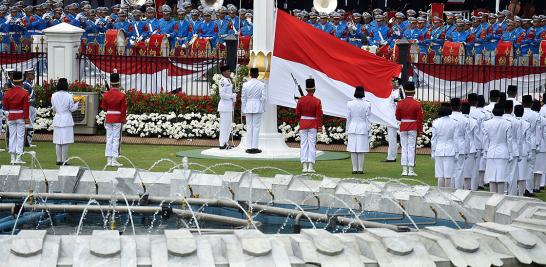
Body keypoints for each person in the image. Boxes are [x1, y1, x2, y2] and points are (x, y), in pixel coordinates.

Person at [483, 103, 513, 194]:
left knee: (492, 177)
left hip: (491, 152)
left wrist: (485, 151)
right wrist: (511, 153)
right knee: (501, 177)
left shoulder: (487, 123)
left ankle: (493, 198)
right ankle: (500, 198)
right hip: (503, 152)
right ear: (503, 111)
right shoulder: (507, 123)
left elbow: (485, 139)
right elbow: (509, 140)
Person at [395, 82, 423, 176]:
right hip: (413, 127)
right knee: (411, 148)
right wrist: (420, 131)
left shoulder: (400, 103)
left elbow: (397, 117)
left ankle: (404, 170)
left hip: (403, 126)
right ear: (414, 92)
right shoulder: (417, 104)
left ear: (405, 92)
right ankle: (410, 170)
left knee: (404, 148)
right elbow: (419, 119)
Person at [296, 77, 323, 173]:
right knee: (312, 145)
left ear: (306, 89)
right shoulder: (317, 101)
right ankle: (310, 166)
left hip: (303, 123)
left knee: (303, 145)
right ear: (314, 89)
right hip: (312, 124)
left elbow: (298, 114)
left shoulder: (301, 100)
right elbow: (319, 115)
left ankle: (304, 166)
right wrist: (319, 127)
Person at [2, 71, 29, 164]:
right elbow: (26, 108)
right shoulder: (25, 93)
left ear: (13, 81)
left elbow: (5, 107)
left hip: (11, 116)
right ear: (22, 81)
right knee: (20, 137)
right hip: (21, 116)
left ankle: (12, 158)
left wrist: (8, 114)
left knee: (12, 136)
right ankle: (18, 157)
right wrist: (27, 121)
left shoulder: (7, 93)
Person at [51, 78, 79, 165]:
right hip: (66, 119)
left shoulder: (54, 95)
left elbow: (54, 108)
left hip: (58, 118)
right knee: (65, 141)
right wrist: (77, 103)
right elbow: (72, 108)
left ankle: (58, 159)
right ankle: (64, 160)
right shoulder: (69, 96)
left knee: (58, 141)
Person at [101, 73, 127, 167]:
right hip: (117, 118)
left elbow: (104, 108)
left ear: (111, 83)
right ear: (118, 82)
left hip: (109, 117)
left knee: (109, 138)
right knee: (116, 139)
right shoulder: (122, 95)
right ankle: (114, 159)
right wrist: (123, 118)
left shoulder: (106, 95)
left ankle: (109, 159)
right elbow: (123, 109)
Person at [346, 86, 371, 174]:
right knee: (360, 150)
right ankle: (360, 169)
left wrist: (347, 129)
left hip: (352, 127)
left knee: (353, 149)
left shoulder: (349, 103)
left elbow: (348, 118)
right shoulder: (367, 104)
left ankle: (354, 169)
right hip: (363, 127)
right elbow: (368, 119)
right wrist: (369, 130)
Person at [431, 103, 457, 188]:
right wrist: (456, 152)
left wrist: (433, 151)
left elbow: (434, 139)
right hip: (450, 149)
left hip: (439, 149)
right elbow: (455, 139)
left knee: (440, 174)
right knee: (448, 174)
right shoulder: (454, 122)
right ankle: (447, 194)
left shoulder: (436, 122)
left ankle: (440, 193)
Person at [241, 67, 265, 154]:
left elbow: (243, 98)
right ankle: (254, 147)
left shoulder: (245, 84)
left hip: (248, 105)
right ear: (258, 75)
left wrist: (243, 109)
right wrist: (263, 107)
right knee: (256, 127)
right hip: (257, 105)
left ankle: (249, 147)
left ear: (250, 75)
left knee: (249, 127)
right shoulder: (261, 84)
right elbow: (263, 98)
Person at [521, 95, 541, 194]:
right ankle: (528, 189)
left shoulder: (518, 112)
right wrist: (537, 144)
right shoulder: (536, 115)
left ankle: (520, 188)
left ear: (522, 103)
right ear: (531, 104)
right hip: (532, 143)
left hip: (520, 143)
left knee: (519, 166)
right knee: (530, 167)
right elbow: (538, 131)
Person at [449, 98, 470, 189]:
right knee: (460, 169)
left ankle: (450, 188)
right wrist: (467, 150)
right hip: (461, 145)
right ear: (460, 106)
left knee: (450, 169)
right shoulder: (464, 119)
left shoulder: (448, 118)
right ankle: (458, 189)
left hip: (450, 146)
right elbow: (467, 137)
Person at [514, 105, 532, 196]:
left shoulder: (511, 122)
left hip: (514, 149)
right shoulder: (526, 124)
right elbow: (528, 140)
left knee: (513, 172)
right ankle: (521, 193)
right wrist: (529, 152)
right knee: (522, 173)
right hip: (524, 149)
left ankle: (512, 192)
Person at [503, 101, 520, 195]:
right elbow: (519, 139)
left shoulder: (501, 120)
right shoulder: (516, 121)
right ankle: (512, 192)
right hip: (514, 148)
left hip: (503, 148)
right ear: (511, 109)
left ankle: (504, 191)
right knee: (513, 173)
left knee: (504, 170)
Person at [384, 77, 403, 163]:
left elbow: (400, 105)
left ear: (397, 83)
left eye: (393, 82)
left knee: (396, 138)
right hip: (391, 118)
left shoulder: (398, 92)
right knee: (392, 138)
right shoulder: (393, 92)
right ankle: (391, 156)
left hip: (396, 119)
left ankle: (394, 157)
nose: (391, 83)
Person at [461, 102, 479, 190]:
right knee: (469, 171)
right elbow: (477, 137)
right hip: (471, 147)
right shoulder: (474, 121)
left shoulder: (457, 120)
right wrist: (478, 148)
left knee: (459, 170)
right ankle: (468, 189)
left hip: (459, 147)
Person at [217, 65, 235, 150]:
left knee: (228, 126)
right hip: (224, 106)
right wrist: (231, 96)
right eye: (228, 71)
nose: (229, 72)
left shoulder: (228, 80)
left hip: (228, 106)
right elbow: (222, 94)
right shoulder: (222, 81)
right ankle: (222, 144)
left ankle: (226, 142)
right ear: (224, 72)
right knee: (224, 126)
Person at [22, 68, 36, 147]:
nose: (34, 75)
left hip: (31, 106)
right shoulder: (25, 84)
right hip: (29, 106)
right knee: (29, 124)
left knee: (30, 123)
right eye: (32, 74)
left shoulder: (29, 84)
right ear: (27, 75)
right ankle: (27, 142)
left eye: (34, 74)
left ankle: (28, 141)